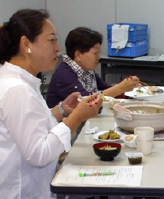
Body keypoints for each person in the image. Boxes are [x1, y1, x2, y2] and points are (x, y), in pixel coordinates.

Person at [0, 9, 102, 198]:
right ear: (26, 44)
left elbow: (30, 126)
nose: (57, 48)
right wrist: (76, 117)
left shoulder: (21, 81)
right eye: (51, 40)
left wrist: (62, 110)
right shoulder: (17, 89)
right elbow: (39, 153)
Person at [46, 27, 140, 108]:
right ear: (78, 55)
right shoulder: (64, 74)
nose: (98, 57)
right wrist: (120, 88)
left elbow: (105, 89)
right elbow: (84, 101)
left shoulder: (87, 70)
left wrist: (128, 89)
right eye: (95, 53)